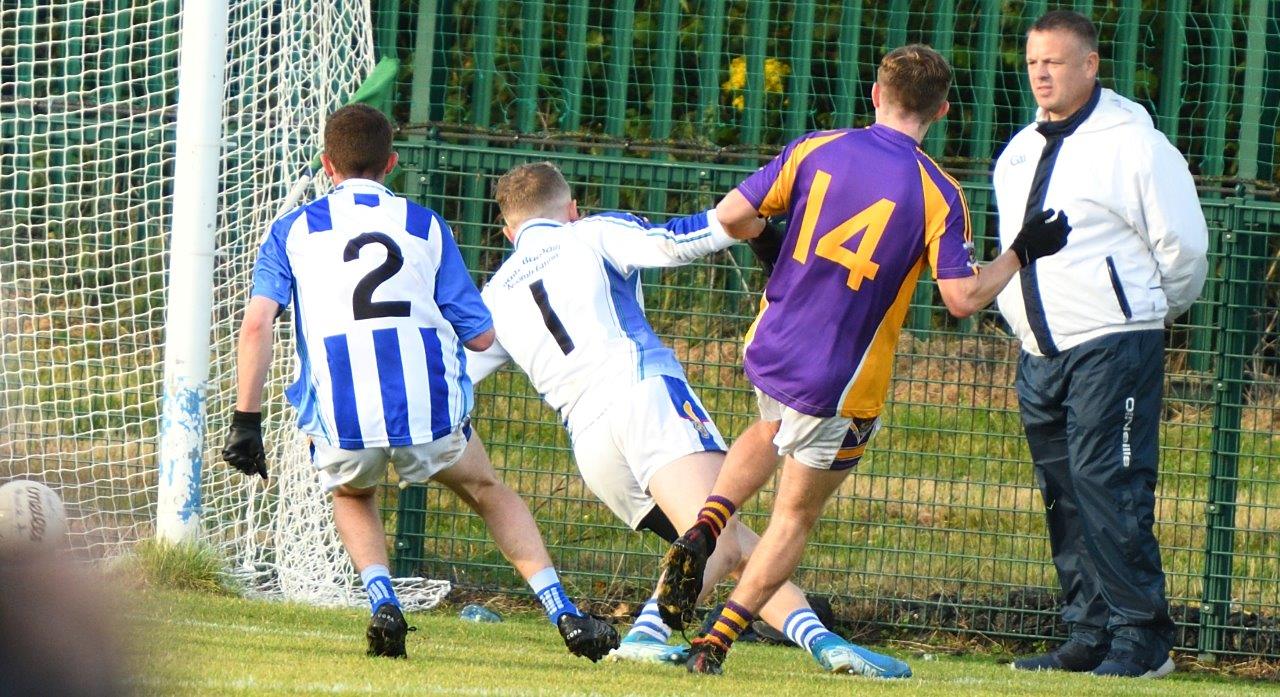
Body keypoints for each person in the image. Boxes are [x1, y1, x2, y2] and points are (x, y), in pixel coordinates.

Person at [655, 44, 1072, 675]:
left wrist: (774, 241)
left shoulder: (815, 148)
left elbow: (733, 217)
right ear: (942, 110)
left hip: (773, 343)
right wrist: (1021, 252)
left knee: (771, 428)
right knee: (794, 514)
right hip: (841, 381)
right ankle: (717, 640)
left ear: (875, 95)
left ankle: (707, 524)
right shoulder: (939, 192)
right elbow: (962, 299)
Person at [464, 161, 906, 677]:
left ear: (507, 231)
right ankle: (647, 632)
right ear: (571, 208)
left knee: (731, 539)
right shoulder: (589, 233)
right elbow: (672, 243)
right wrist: (743, 225)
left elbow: (456, 375)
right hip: (641, 396)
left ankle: (825, 644)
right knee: (712, 531)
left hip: (589, 443)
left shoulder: (493, 294)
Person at [220, 104, 617, 662]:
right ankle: (565, 613)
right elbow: (480, 338)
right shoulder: (425, 225)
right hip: (428, 408)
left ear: (326, 163)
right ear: (394, 163)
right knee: (486, 490)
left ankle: (384, 603)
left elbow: (257, 323)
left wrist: (246, 422)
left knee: (353, 492)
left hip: (344, 414)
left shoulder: (293, 230)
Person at [992, 11, 1208, 679]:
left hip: (1114, 347)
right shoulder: (1020, 150)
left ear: (1090, 65)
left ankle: (1143, 637)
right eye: (1034, 63)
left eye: (1056, 61)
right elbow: (1011, 251)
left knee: (1109, 486)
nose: (1043, 74)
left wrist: (1141, 310)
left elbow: (1184, 248)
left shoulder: (1136, 146)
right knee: (1064, 492)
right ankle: (1088, 633)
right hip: (1041, 353)